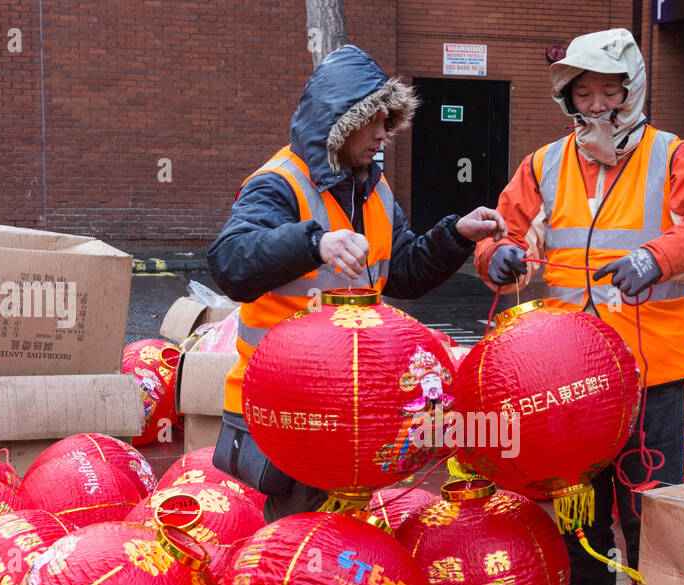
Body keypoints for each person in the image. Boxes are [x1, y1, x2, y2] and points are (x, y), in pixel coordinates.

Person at [473, 28, 684, 585]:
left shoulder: (675, 159)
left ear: (632, 92)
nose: (595, 104)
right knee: (579, 518)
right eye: (582, 91)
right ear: (567, 97)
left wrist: (657, 256)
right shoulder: (544, 166)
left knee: (650, 524)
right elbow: (506, 239)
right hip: (567, 386)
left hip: (650, 380)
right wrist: (498, 260)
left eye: (607, 91)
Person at [209, 44, 504, 521]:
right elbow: (229, 264)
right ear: (341, 122)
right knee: (303, 545)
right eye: (373, 122)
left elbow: (402, 272)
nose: (383, 135)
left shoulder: (374, 189)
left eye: (388, 122)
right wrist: (313, 242)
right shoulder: (280, 183)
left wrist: (455, 235)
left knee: (345, 539)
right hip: (285, 404)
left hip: (354, 402)